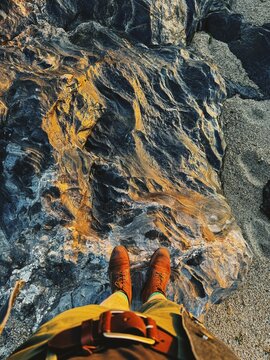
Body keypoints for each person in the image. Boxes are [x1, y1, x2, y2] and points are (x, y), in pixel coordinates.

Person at [8, 247, 239, 360]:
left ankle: (120, 294)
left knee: (94, 315)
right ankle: (155, 294)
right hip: (187, 351)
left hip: (66, 349)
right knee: (167, 311)